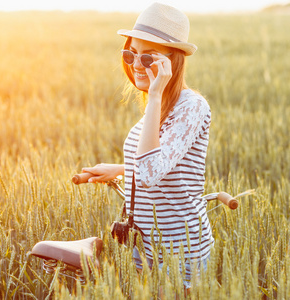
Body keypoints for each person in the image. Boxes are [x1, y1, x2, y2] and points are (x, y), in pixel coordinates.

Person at [82, 2, 213, 290]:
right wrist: (117, 169)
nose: (136, 66)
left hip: (181, 252)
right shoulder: (156, 109)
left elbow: (149, 173)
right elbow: (160, 164)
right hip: (145, 245)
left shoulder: (192, 107)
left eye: (148, 58)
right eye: (130, 55)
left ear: (172, 61)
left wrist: (154, 98)